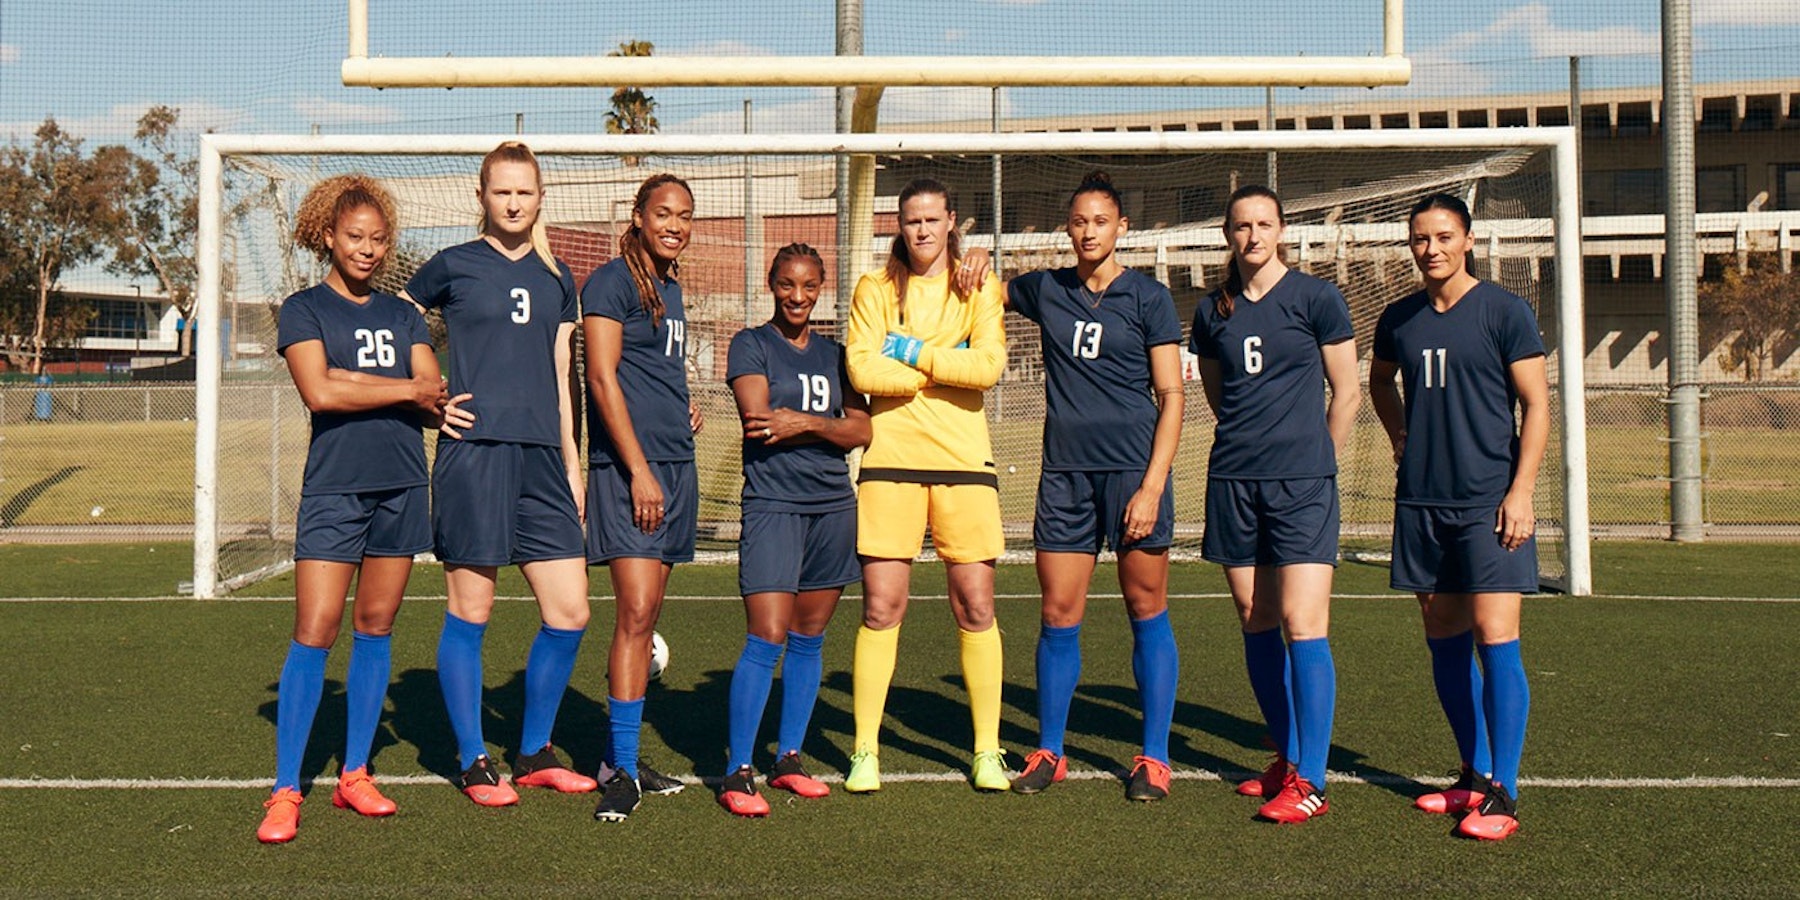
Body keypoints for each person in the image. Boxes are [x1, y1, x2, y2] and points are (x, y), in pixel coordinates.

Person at [960, 171, 1185, 802]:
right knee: (1058, 614)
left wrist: (1151, 486)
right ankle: (1050, 750)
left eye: (1102, 221)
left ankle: (1155, 757)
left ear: (1122, 228)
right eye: (1080, 221)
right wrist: (973, 259)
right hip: (1064, 476)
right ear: (1069, 226)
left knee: (1146, 608)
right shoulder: (1046, 289)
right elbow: (984, 291)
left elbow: (1172, 396)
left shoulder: (1148, 298)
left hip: (1134, 476)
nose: (1090, 231)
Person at [405, 141, 595, 809]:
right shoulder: (452, 266)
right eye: (501, 191)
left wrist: (573, 465)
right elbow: (397, 322)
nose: (513, 202)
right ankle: (472, 758)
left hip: (544, 460)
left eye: (525, 192)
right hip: (474, 454)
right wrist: (428, 395)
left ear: (540, 198)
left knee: (570, 611)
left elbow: (563, 377)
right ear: (481, 197)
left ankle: (536, 751)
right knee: (472, 608)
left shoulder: (558, 277)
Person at [259, 174, 444, 843]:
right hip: (335, 488)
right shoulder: (303, 309)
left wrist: (362, 382)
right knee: (315, 629)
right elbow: (320, 393)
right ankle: (285, 791)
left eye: (377, 239)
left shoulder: (403, 315)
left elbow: (432, 390)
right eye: (354, 237)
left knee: (376, 627)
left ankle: (356, 774)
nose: (367, 249)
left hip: (400, 484)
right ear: (328, 237)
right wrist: (397, 388)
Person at [1369, 193, 1547, 842]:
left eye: (1444, 236)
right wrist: (1399, 439)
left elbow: (1537, 406)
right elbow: (1379, 382)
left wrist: (1521, 490)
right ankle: (1472, 776)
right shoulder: (1399, 319)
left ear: (1468, 240)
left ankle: (1505, 790)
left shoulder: (1505, 312)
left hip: (1488, 503)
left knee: (1495, 636)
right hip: (1421, 503)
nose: (1432, 248)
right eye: (1420, 238)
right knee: (1443, 639)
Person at [1190, 185, 1361, 824]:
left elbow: (1345, 391)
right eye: (1241, 226)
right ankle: (1287, 760)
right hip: (1234, 481)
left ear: (1282, 230)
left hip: (1303, 484)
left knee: (1302, 620)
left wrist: (1318, 460)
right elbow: (1218, 393)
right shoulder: (1213, 311)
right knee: (1254, 617)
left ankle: (1312, 782)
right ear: (1228, 235)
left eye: (1264, 224)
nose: (1253, 235)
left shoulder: (1317, 298)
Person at [844, 177, 1010, 794]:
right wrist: (943, 366)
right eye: (911, 220)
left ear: (951, 221)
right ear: (900, 224)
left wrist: (911, 353)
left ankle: (987, 751)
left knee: (976, 606)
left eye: (931, 220)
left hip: (966, 464)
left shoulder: (978, 285)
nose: (921, 231)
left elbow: (988, 367)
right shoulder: (874, 288)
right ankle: (865, 752)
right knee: (882, 608)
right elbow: (861, 366)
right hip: (890, 463)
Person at [715, 243, 872, 817]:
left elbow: (862, 431)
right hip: (774, 505)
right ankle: (737, 771)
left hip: (834, 506)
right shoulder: (750, 344)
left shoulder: (838, 354)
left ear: (822, 286)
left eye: (808, 286)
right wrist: (825, 427)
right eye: (787, 284)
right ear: (771, 284)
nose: (798, 296)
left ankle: (789, 759)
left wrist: (804, 422)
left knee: (809, 637)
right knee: (768, 635)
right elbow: (760, 423)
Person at [582, 172, 706, 822]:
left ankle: (616, 759)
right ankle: (623, 774)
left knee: (648, 613)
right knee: (633, 611)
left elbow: (651, 373)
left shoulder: (672, 287)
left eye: (685, 215)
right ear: (637, 215)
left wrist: (680, 413)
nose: (675, 225)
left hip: (675, 464)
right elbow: (601, 380)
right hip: (634, 473)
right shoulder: (609, 282)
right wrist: (638, 469)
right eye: (663, 213)